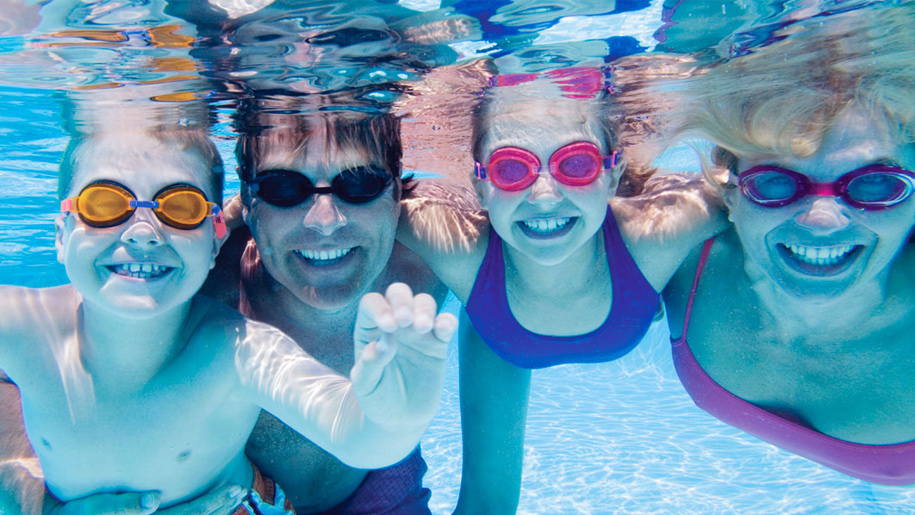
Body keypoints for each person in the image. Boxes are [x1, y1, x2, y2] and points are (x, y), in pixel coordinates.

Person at [0, 120, 456, 513]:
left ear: (215, 235)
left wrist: (397, 419)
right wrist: (26, 498)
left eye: (179, 208)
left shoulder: (238, 347)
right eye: (104, 205)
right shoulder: (23, 322)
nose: (142, 233)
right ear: (60, 232)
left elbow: (352, 432)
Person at [396, 68, 727, 513]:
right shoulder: (462, 250)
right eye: (511, 169)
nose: (545, 196)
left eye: (576, 164)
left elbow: (753, 192)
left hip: (536, 305)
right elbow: (363, 208)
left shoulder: (654, 236)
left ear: (613, 176)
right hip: (498, 332)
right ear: (479, 186)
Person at [663, 5, 915, 485]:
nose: (821, 221)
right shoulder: (677, 252)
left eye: (876, 185)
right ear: (732, 190)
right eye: (776, 184)